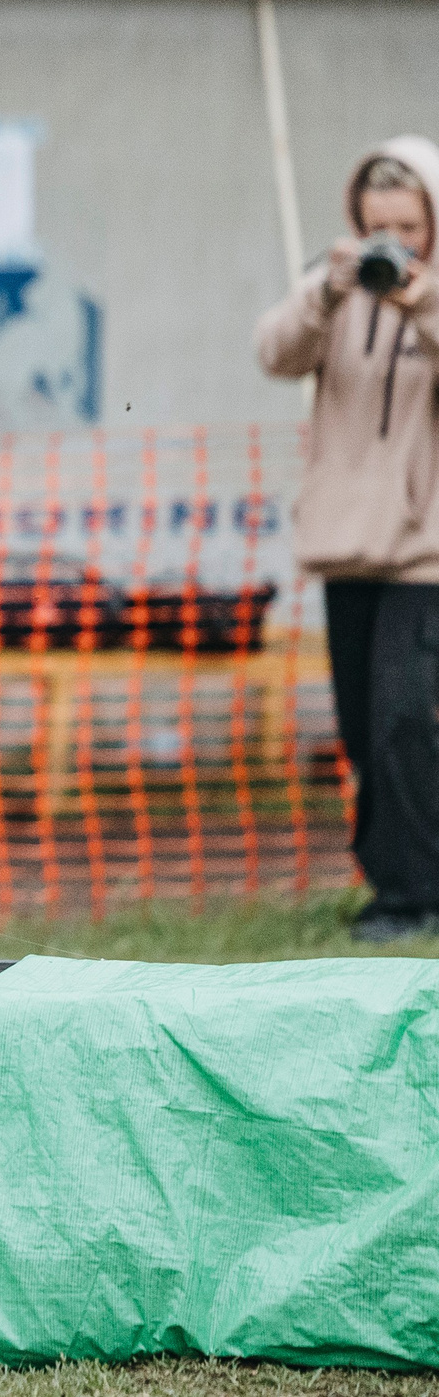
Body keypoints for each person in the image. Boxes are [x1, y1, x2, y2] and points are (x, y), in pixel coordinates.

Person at [255, 136, 439, 942]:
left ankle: (413, 896)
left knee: (404, 718)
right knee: (365, 730)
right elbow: (273, 352)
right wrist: (323, 295)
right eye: (377, 228)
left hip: (425, 551)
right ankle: (391, 883)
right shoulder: (334, 291)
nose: (393, 243)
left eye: (410, 227)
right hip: (344, 545)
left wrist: (420, 301)